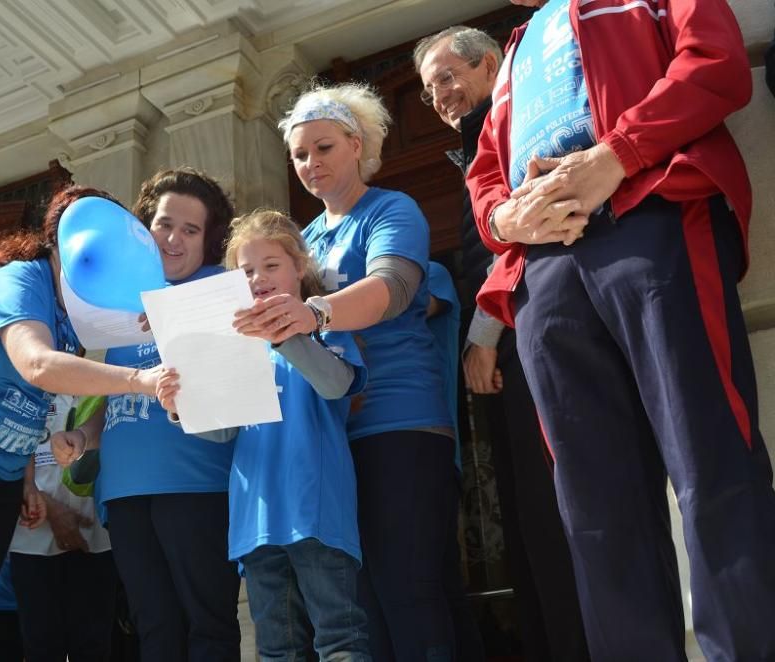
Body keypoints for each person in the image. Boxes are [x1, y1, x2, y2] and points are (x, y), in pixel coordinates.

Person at [465, 0, 775, 659]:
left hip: (655, 212)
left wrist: (616, 154)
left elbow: (715, 63)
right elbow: (487, 173)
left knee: (711, 460)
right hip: (544, 269)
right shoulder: (513, 48)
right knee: (594, 509)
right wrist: (505, 223)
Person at [236, 82, 473, 660]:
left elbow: (391, 290)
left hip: (399, 421)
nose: (310, 164)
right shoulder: (303, 240)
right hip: (328, 436)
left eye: (324, 148)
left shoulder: (393, 209)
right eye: (299, 155)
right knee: (358, 605)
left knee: (410, 590)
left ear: (357, 143)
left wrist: (312, 310)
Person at [0, 185, 169, 662]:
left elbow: (25, 403)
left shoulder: (67, 314)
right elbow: (36, 366)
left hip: (0, 470)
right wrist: (141, 379)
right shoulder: (18, 280)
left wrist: (25, 478)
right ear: (62, 242)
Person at [414, 27, 588, 660]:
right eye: (430, 87)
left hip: (528, 333)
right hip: (502, 348)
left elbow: (516, 234)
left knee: (555, 510)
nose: (439, 95)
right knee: (525, 518)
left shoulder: (518, 121)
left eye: (447, 76)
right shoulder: (470, 144)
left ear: (491, 64)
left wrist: (482, 334)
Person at [55, 168, 241, 662]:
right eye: (163, 225)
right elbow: (113, 397)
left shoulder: (220, 289)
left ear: (209, 240)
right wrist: (83, 437)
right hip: (124, 490)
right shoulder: (118, 299)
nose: (173, 239)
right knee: (152, 627)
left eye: (191, 230)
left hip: (198, 483)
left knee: (210, 625)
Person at [175, 209, 371, 660]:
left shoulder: (326, 327)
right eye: (246, 271)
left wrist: (284, 335)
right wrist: (181, 405)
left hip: (316, 513)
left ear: (299, 268)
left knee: (340, 638)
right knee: (277, 650)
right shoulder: (236, 346)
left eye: (271, 265)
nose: (258, 278)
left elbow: (335, 384)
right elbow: (222, 432)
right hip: (255, 522)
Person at [9, 392, 119, 662]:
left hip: (99, 532)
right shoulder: (25, 371)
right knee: (41, 645)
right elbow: (4, 444)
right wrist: (49, 507)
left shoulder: (106, 365)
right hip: (33, 532)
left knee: (96, 644)